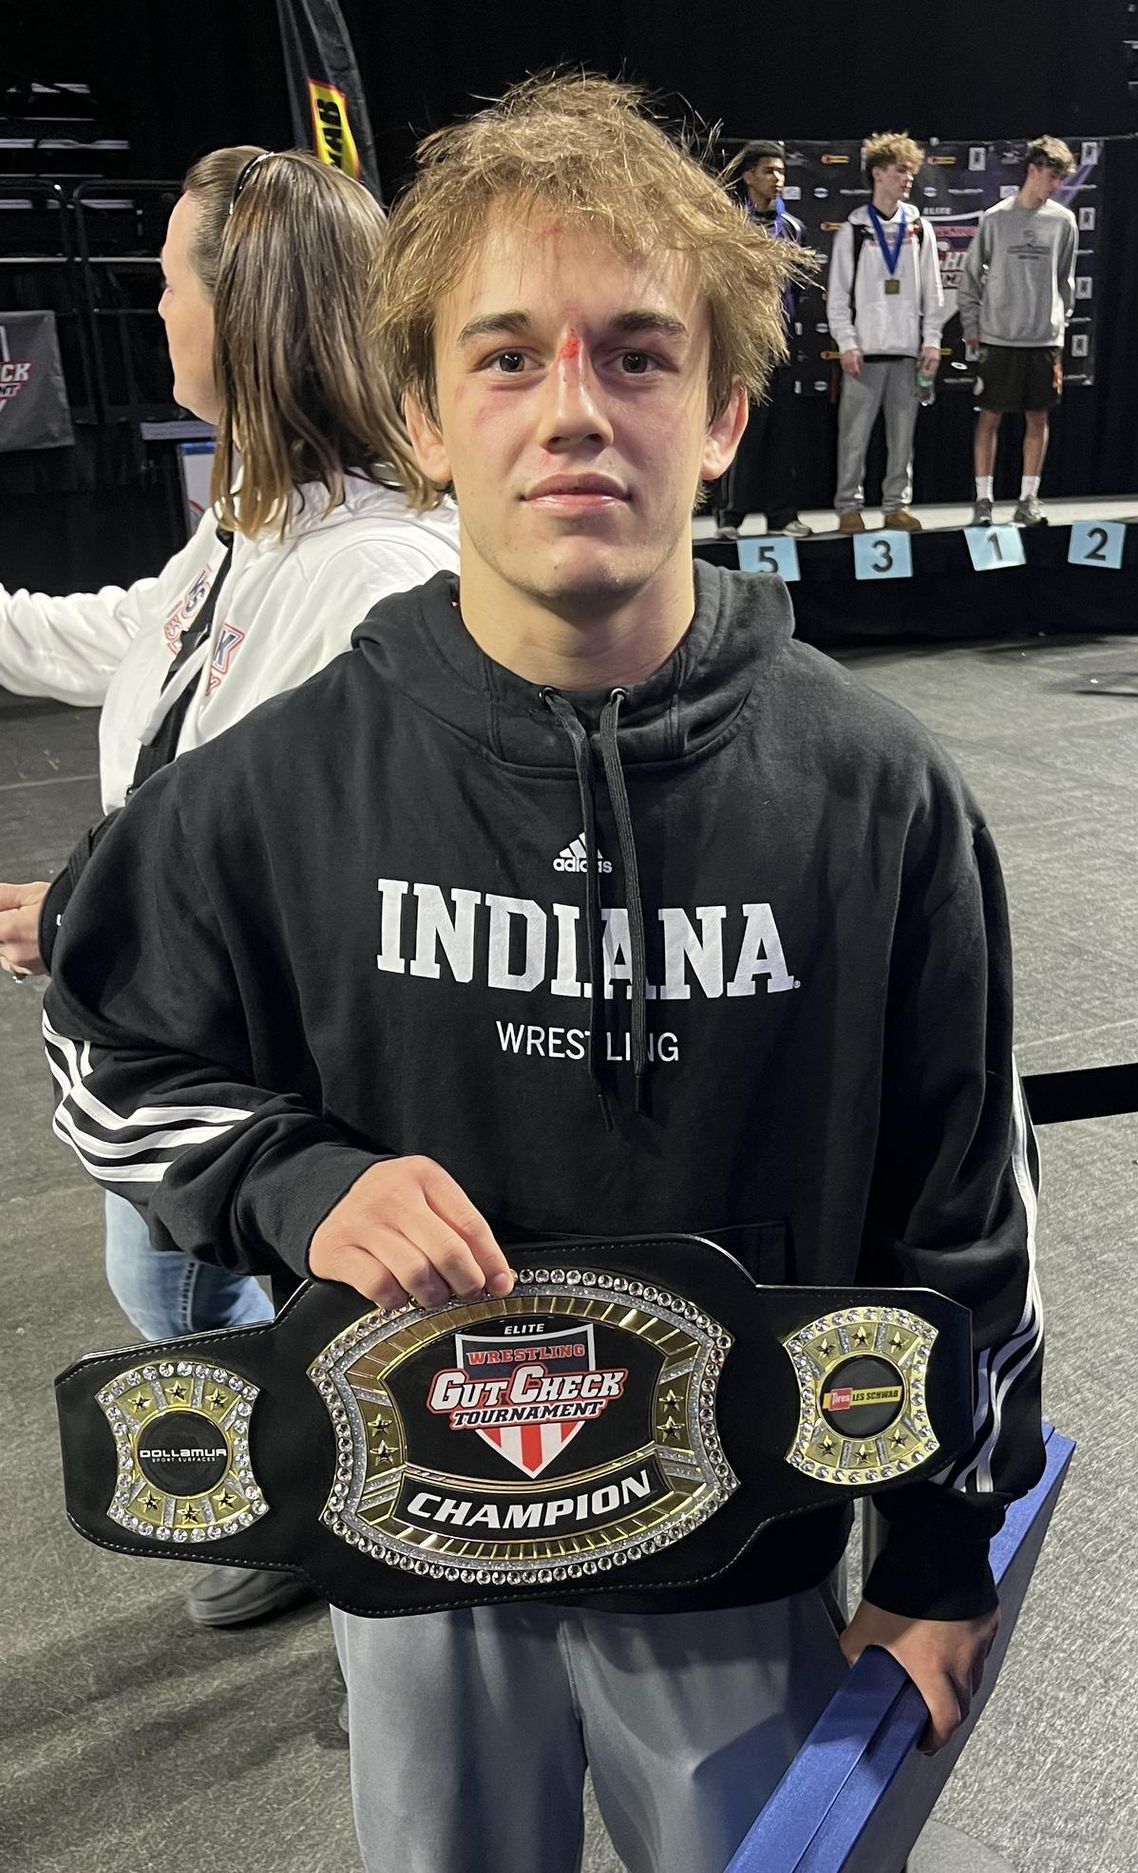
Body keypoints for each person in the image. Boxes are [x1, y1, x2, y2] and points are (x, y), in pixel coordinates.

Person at [44, 77, 1043, 1873]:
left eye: (639, 356)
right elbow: (108, 1051)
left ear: (727, 411)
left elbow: (966, 1204)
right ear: (422, 413)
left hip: (742, 1555)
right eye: (507, 358)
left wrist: (949, 1554)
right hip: (413, 1560)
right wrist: (296, 1176)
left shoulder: (874, 797)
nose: (574, 410)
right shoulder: (282, 784)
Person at [0, 144, 459, 1629]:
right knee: (168, 1283)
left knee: (205, 1296)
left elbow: (295, 845)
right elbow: (134, 646)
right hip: (164, 1029)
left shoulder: (377, 567)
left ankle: (326, 1515)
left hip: (251, 1062)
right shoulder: (261, 517)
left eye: (169, 277)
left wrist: (86, 903)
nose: (151, 304)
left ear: (243, 308)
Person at [826, 131, 944, 534]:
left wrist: (932, 341)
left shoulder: (920, 228)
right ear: (877, 173)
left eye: (910, 171)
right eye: (899, 170)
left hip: (907, 351)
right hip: (865, 352)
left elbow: (934, 289)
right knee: (854, 437)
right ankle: (848, 507)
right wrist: (847, 342)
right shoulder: (855, 229)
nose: (907, 178)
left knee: (902, 438)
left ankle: (896, 505)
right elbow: (838, 294)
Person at [958, 136, 1078, 528]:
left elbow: (1066, 281)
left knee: (1037, 418)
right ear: (1032, 170)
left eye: (1061, 178)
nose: (1055, 185)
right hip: (998, 337)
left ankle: (1029, 498)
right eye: (1052, 175)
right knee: (989, 416)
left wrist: (1057, 322)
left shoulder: (1064, 220)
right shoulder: (995, 218)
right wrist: (973, 325)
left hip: (1044, 339)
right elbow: (971, 278)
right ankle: (983, 500)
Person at [714, 139, 812, 540]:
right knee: (743, 431)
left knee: (783, 434)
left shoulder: (793, 227)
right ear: (747, 176)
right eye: (769, 171)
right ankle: (730, 519)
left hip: (781, 344)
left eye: (782, 172)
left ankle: (781, 516)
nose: (777, 179)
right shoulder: (730, 225)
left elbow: (799, 288)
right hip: (743, 345)